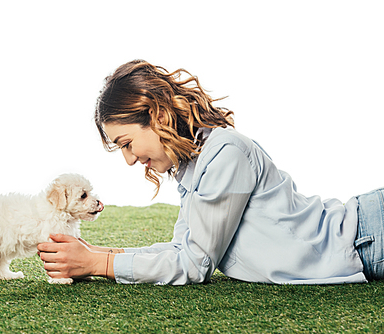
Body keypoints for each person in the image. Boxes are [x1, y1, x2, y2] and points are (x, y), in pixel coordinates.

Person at [37, 60, 383, 285]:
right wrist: (101, 254)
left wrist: (97, 265)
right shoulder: (192, 166)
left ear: (155, 116)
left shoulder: (224, 154)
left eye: (127, 143)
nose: (129, 160)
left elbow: (193, 264)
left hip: (365, 235)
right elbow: (180, 248)